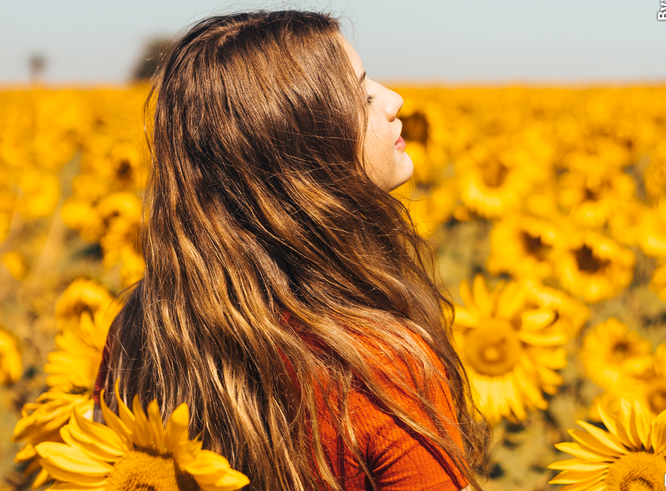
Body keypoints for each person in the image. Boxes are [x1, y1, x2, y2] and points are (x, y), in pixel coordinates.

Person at [93, 10, 491, 491]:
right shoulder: (378, 371)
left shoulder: (144, 327)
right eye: (361, 94)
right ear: (304, 153)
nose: (393, 100)